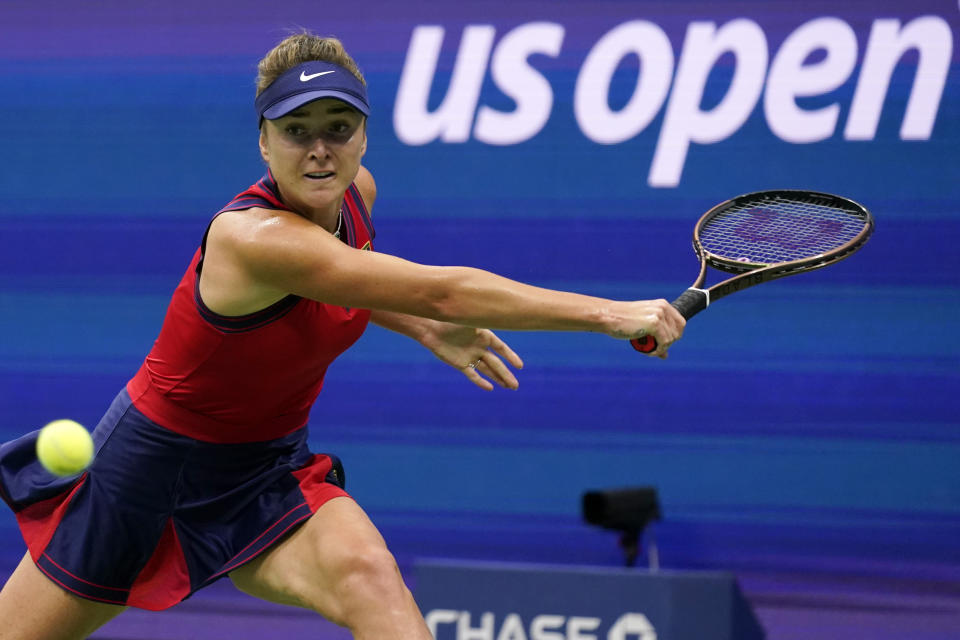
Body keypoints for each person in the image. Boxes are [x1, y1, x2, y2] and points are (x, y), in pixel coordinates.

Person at [0, 32, 684, 640]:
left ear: (363, 133)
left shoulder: (357, 197)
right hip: (152, 473)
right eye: (297, 130)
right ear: (264, 142)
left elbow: (349, 284)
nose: (320, 149)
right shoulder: (249, 237)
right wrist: (607, 313)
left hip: (266, 468)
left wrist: (420, 328)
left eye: (339, 126)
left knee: (369, 575)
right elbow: (438, 289)